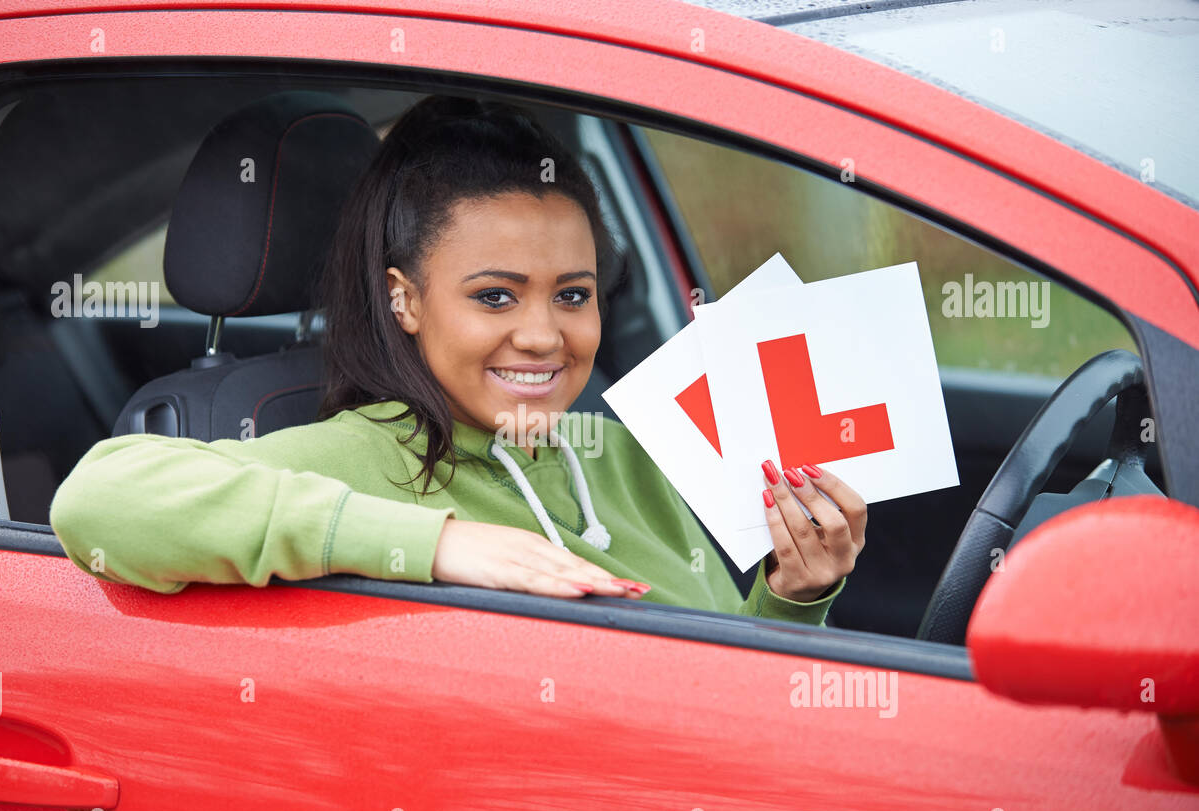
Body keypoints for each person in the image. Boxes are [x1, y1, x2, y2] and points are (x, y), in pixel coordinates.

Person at [49, 94, 867, 624]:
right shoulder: (352, 456)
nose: (546, 335)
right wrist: (439, 543)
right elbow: (98, 501)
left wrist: (795, 597)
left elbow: (724, 694)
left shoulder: (623, 451)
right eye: (495, 297)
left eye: (573, 295)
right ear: (405, 299)